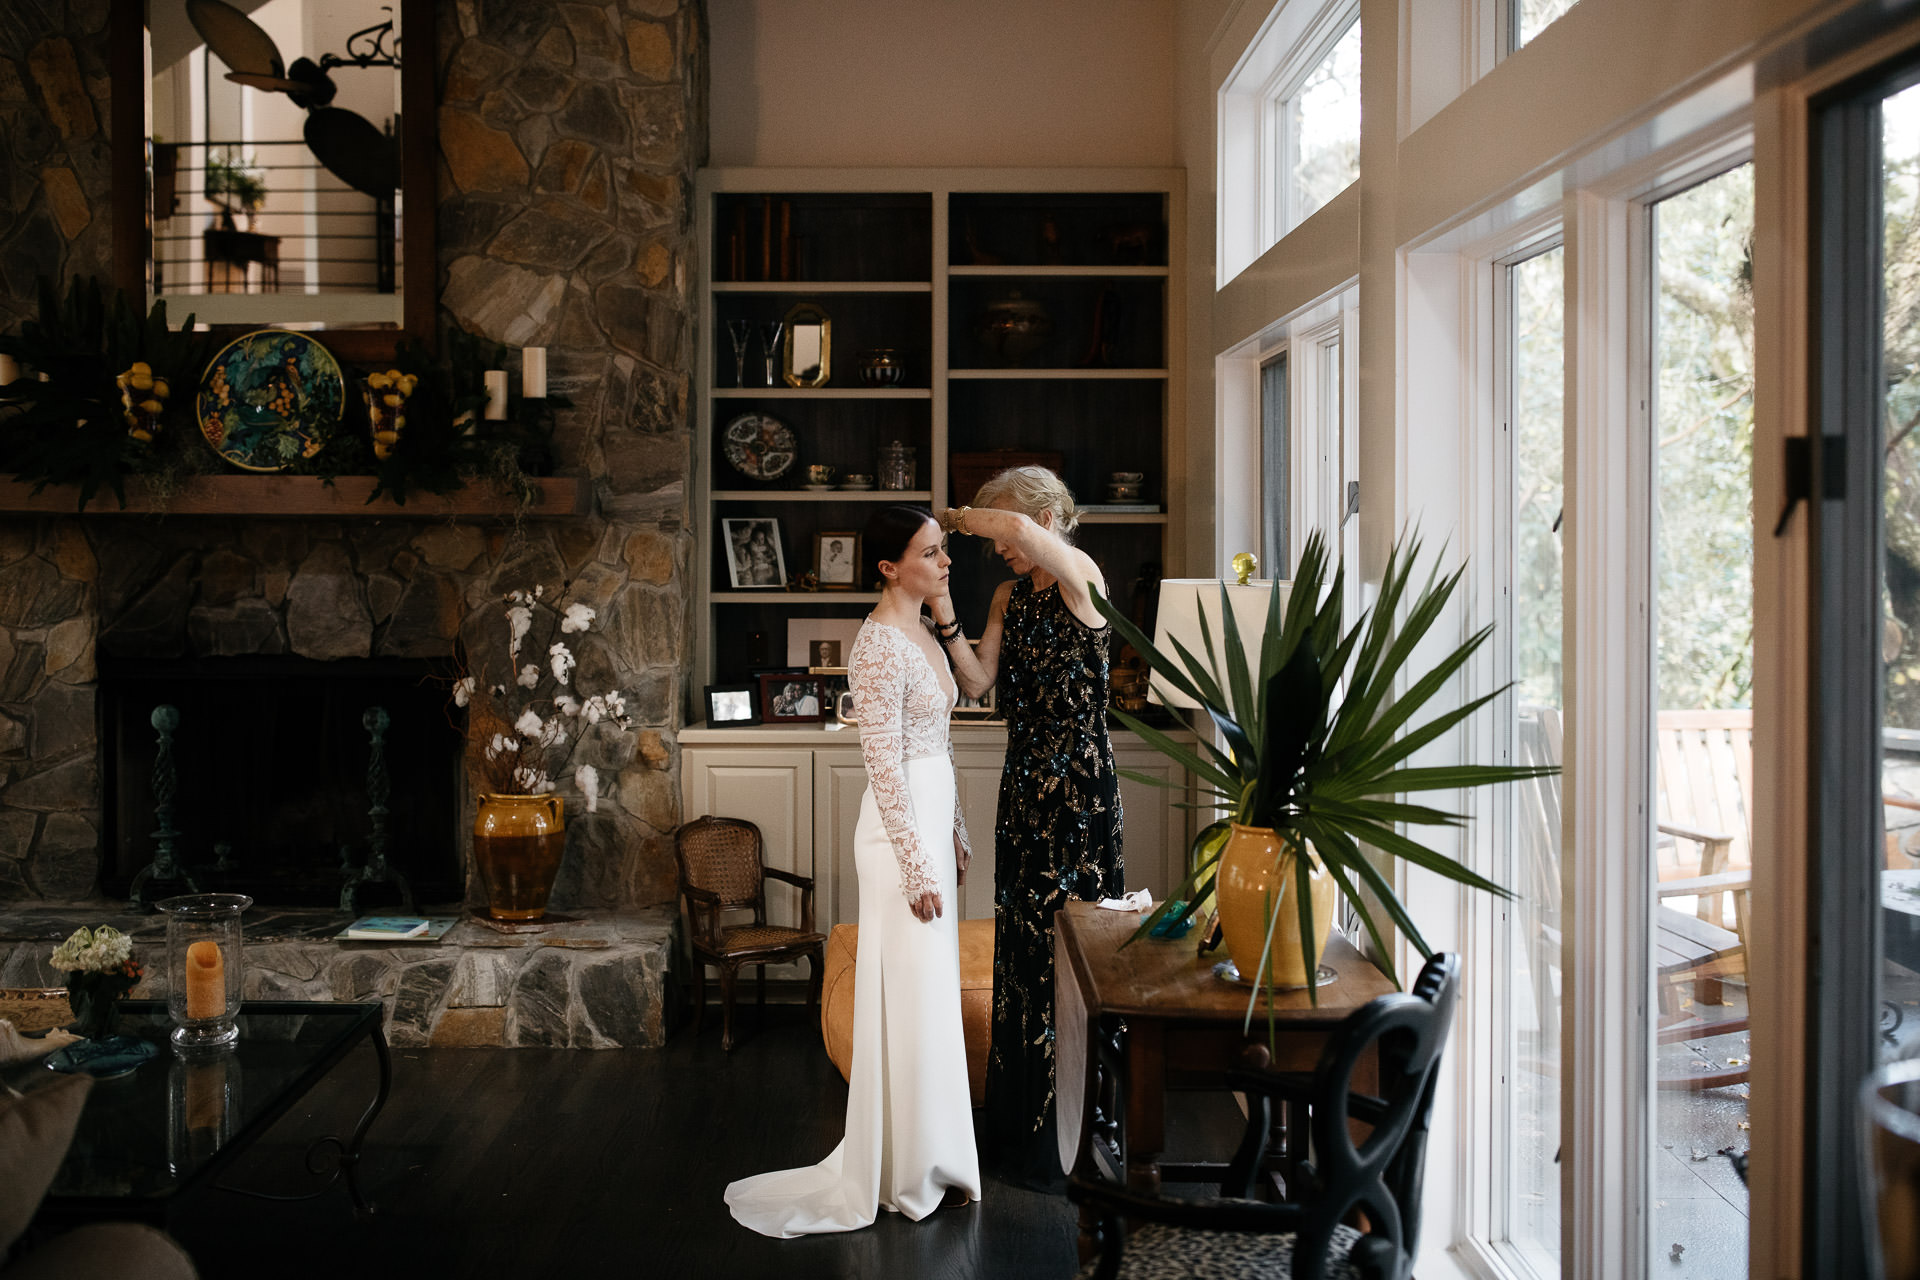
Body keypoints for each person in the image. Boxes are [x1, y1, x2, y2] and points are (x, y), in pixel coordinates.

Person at [725, 504, 980, 1236]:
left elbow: (939, 742)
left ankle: (936, 1160)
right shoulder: (875, 647)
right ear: (889, 568)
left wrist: (954, 830)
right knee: (906, 1000)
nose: (945, 563)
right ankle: (900, 1170)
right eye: (931, 553)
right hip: (897, 843)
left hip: (931, 823)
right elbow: (884, 764)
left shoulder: (927, 630)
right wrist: (915, 862)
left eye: (942, 550)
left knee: (929, 1000)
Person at [931, 466, 1124, 1190]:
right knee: (1021, 945)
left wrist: (950, 517)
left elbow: (1012, 532)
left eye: (1004, 527)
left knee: (1072, 951)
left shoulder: (1083, 577)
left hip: (1079, 791)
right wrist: (945, 617)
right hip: (1023, 789)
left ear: (1045, 516)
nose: (999, 548)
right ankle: (1020, 1127)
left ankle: (1077, 1132)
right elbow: (979, 682)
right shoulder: (1011, 595)